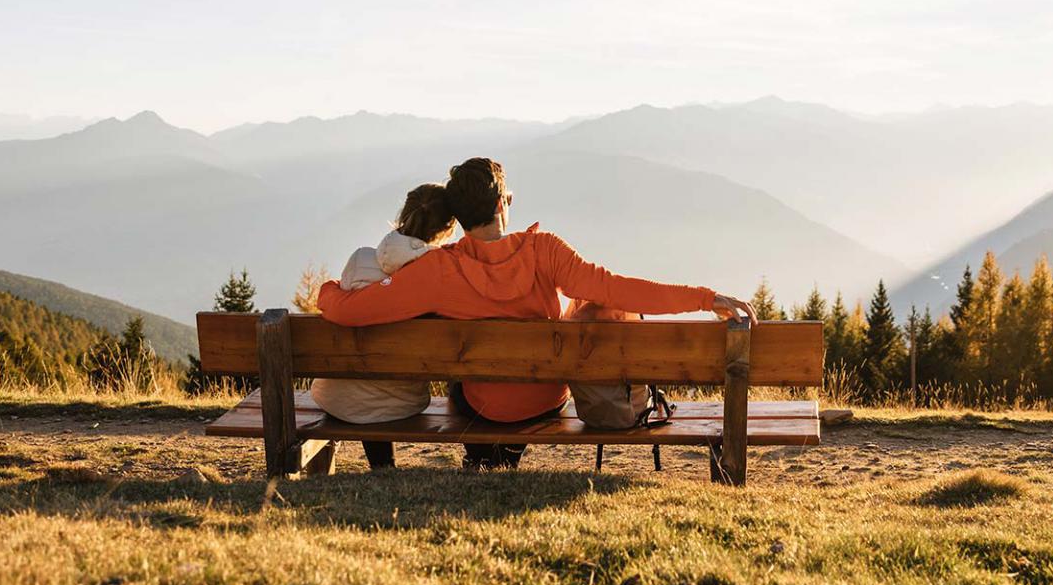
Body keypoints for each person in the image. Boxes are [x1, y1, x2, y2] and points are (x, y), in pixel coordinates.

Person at [316, 156, 752, 469]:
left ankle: (487, 456)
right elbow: (619, 289)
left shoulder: (439, 269)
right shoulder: (545, 251)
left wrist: (327, 290)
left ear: (460, 218)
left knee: (465, 380)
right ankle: (497, 456)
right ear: (504, 203)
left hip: (483, 406)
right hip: (545, 400)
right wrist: (704, 298)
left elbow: (354, 312)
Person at [308, 183, 459, 469]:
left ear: (404, 213)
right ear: (448, 228)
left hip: (337, 398)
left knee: (368, 381)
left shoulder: (360, 259)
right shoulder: (443, 275)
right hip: (403, 402)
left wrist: (329, 289)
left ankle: (381, 467)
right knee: (383, 390)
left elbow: (340, 305)